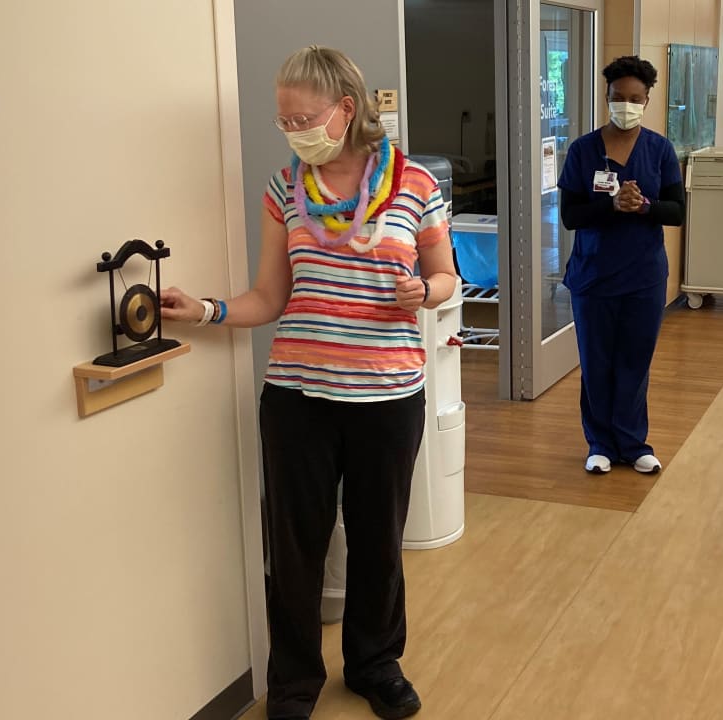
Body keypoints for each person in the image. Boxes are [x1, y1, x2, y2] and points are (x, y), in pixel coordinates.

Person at [160, 46, 457, 720]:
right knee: (295, 548)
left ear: (345, 110)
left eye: (303, 116)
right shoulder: (283, 189)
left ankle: (375, 665)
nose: (293, 129)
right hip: (297, 398)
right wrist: (206, 310)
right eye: (283, 119)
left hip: (387, 397)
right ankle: (294, 681)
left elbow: (447, 275)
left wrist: (424, 291)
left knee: (379, 542)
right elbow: (269, 297)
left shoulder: (412, 184)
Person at [558, 56, 686, 476]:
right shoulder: (582, 150)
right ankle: (599, 444)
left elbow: (676, 211)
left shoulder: (660, 149)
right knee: (597, 363)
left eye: (635, 99)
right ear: (607, 97)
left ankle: (634, 444)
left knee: (635, 360)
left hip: (643, 276)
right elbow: (571, 216)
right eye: (618, 97)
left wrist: (644, 205)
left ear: (647, 100)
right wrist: (611, 205)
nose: (625, 105)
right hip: (594, 275)